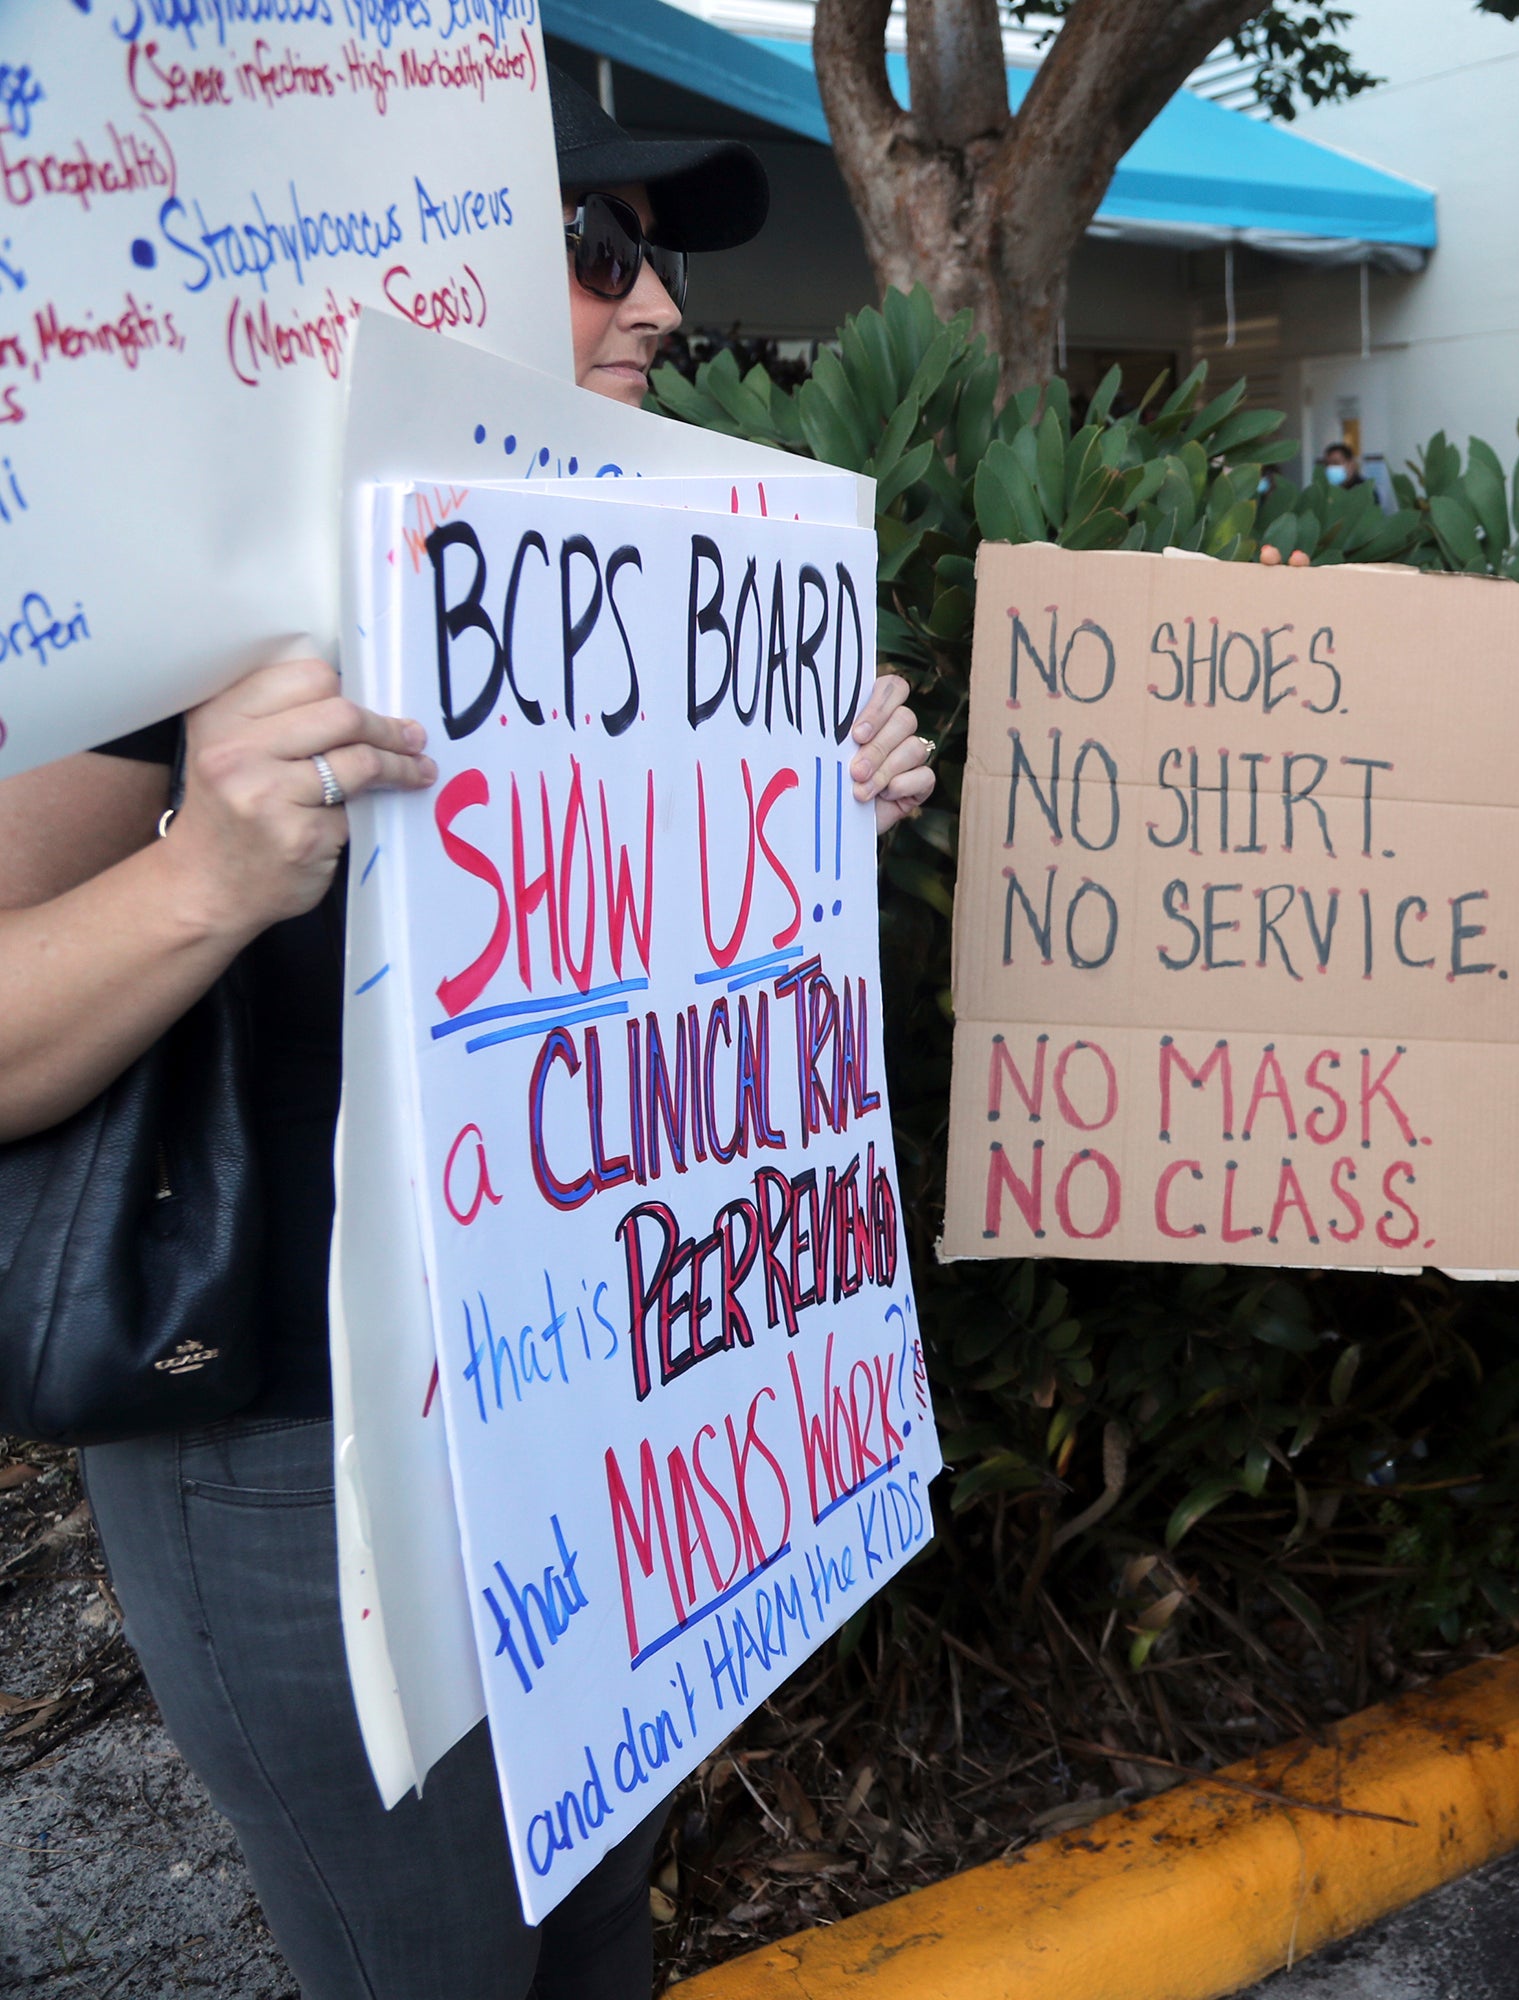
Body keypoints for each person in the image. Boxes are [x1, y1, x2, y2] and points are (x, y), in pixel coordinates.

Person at [0, 65, 938, 1999]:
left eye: (656, 264)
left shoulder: (655, 584)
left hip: (586, 1397)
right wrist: (202, 878)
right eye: (600, 254)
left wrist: (812, 797)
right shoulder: (189, 604)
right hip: (289, 1447)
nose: (657, 309)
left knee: (594, 1941)